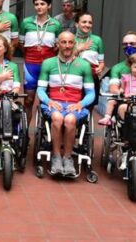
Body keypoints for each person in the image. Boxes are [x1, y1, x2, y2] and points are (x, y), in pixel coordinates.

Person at [36, 31, 95, 176]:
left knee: (69, 120)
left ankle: (68, 158)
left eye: (70, 42)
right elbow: (41, 89)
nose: (67, 46)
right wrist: (48, 100)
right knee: (57, 117)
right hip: (53, 103)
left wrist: (81, 104)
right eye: (63, 42)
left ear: (74, 44)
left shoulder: (84, 65)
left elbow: (91, 93)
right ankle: (56, 157)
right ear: (58, 44)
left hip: (75, 104)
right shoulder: (48, 63)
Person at [19, 0, 61, 122]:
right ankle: (25, 131)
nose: (39, 7)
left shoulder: (55, 24)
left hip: (49, 67)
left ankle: (45, 129)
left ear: (49, 6)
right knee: (28, 100)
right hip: (30, 65)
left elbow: (57, 46)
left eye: (42, 4)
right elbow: (21, 44)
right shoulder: (26, 22)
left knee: (47, 100)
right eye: (36, 4)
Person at [73, 12, 105, 98]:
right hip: (73, 78)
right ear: (76, 24)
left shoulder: (97, 40)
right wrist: (79, 49)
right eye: (84, 22)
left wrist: (100, 68)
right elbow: (63, 59)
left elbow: (101, 62)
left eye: (90, 22)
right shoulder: (70, 39)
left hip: (91, 78)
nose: (87, 25)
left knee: (91, 104)